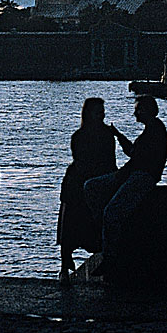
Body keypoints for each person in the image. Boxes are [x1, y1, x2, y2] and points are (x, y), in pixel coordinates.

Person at [84, 95, 167, 280]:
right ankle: (103, 229)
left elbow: (136, 156)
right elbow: (134, 152)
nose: (135, 113)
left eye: (138, 109)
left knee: (110, 211)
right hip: (133, 174)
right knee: (91, 187)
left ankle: (109, 255)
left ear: (145, 110)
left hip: (140, 177)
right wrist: (119, 135)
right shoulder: (153, 130)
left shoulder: (154, 131)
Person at [57, 97, 116, 285]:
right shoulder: (105, 135)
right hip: (88, 185)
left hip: (78, 184)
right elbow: (109, 162)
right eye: (99, 110)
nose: (102, 114)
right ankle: (67, 267)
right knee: (86, 226)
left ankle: (65, 269)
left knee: (71, 227)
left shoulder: (79, 136)